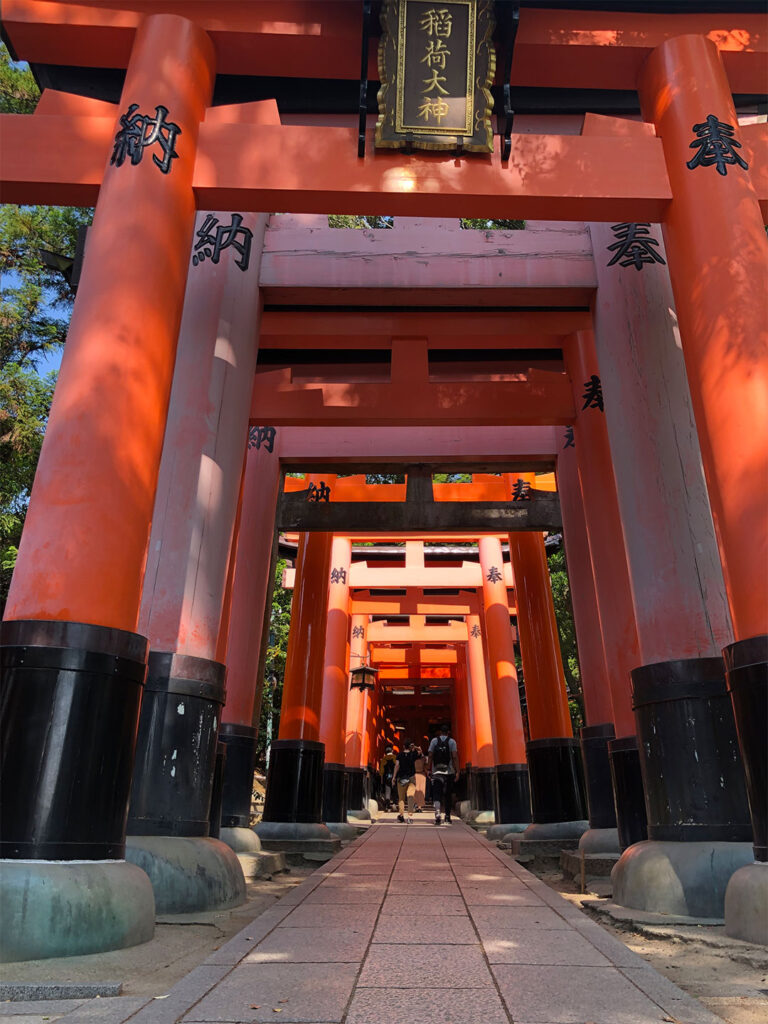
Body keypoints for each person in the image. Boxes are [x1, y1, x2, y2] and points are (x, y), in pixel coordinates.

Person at [426, 724, 459, 825]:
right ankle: (448, 817)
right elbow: (454, 756)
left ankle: (437, 813)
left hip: (436, 772)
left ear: (440, 732)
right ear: (448, 732)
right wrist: (457, 771)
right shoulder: (452, 742)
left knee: (437, 793)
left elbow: (430, 755)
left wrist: (428, 769)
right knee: (447, 795)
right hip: (448, 772)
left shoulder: (434, 741)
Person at [392, 741, 418, 823]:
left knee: (401, 798)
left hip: (401, 778)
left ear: (403, 746)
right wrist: (415, 747)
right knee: (410, 797)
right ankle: (410, 817)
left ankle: (401, 815)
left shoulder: (399, 755)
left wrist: (394, 777)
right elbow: (421, 752)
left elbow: (397, 765)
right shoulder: (413, 754)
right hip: (411, 778)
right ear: (410, 746)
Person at [378, 746, 397, 811]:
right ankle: (394, 804)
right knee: (394, 791)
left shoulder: (384, 759)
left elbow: (381, 771)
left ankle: (387, 805)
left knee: (387, 791)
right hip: (394, 777)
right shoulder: (395, 757)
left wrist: (381, 780)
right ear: (392, 751)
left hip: (386, 777)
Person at [413, 745, 426, 812]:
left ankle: (417, 805)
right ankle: (419, 807)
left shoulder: (413, 758)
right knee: (420, 791)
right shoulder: (423, 759)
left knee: (416, 791)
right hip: (421, 775)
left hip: (415, 775)